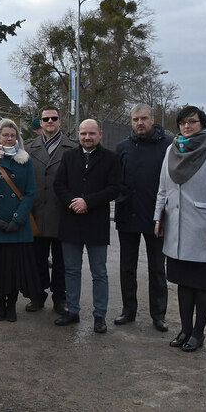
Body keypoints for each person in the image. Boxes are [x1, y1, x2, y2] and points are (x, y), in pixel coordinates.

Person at [154, 106, 206, 352]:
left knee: (204, 284)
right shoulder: (171, 149)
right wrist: (158, 218)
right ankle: (185, 329)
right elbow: (163, 188)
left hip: (202, 228)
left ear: (202, 124)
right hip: (176, 227)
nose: (187, 126)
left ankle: (198, 333)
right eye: (183, 122)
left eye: (192, 122)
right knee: (184, 283)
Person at [53, 119, 121, 333]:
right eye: (83, 134)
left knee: (99, 272)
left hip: (96, 224)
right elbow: (59, 185)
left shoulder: (111, 158)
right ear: (78, 135)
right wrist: (73, 202)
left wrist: (88, 202)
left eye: (91, 133)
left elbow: (114, 188)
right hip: (71, 222)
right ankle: (72, 311)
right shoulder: (68, 156)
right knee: (71, 271)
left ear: (99, 134)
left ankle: (99, 316)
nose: (87, 137)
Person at [114, 103, 171, 332]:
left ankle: (158, 315)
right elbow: (115, 179)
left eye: (144, 118)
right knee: (127, 267)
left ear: (152, 119)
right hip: (127, 214)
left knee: (157, 268)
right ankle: (129, 310)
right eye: (135, 119)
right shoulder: (122, 147)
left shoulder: (167, 147)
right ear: (131, 121)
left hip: (156, 217)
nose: (140, 123)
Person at [0, 118, 40, 322]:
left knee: (14, 269)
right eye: (5, 135)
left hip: (17, 226)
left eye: (13, 135)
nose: (9, 138)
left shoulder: (26, 160)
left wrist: (18, 219)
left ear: (17, 138)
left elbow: (30, 192)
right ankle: (0, 304)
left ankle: (11, 304)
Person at [26, 105, 77, 315]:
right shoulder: (29, 148)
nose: (49, 122)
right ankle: (37, 296)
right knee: (37, 259)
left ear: (60, 121)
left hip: (61, 214)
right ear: (40, 121)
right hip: (36, 213)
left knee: (61, 261)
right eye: (45, 119)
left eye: (53, 118)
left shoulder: (72, 148)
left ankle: (60, 298)